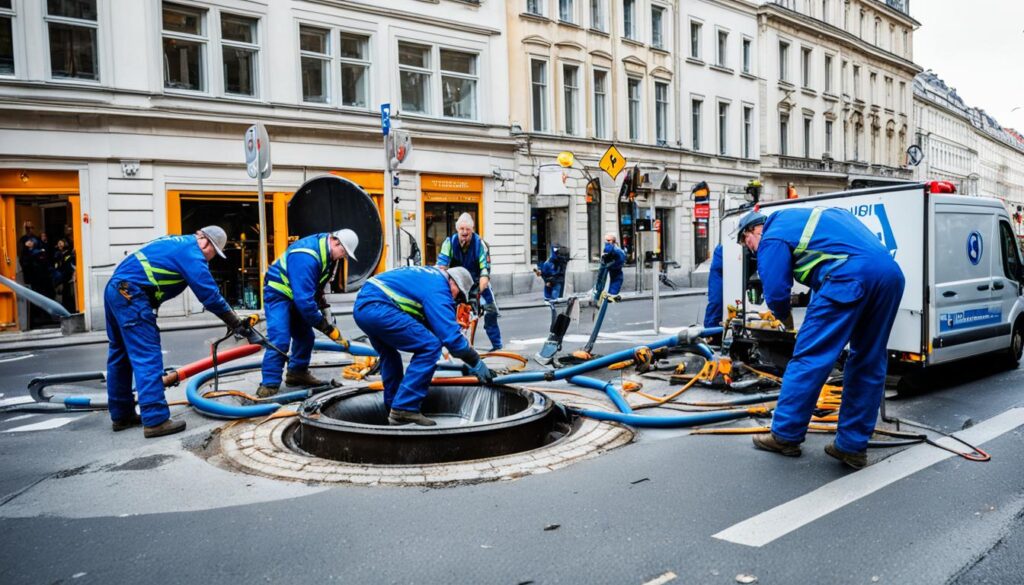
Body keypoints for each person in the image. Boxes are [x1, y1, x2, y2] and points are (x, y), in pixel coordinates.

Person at [736, 208, 905, 469]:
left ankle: (785, 435)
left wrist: (785, 318)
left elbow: (777, 291)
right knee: (868, 360)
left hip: (848, 277)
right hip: (890, 277)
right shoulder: (811, 220)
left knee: (810, 358)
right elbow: (827, 272)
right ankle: (852, 447)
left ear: (753, 230)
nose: (752, 251)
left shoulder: (772, 235)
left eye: (748, 244)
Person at [105, 226, 255, 438]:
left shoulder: (174, 241)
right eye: (213, 254)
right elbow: (210, 295)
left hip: (116, 289)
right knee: (146, 355)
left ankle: (121, 415)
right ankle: (155, 420)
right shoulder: (192, 252)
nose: (210, 259)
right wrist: (235, 322)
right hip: (131, 295)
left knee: (120, 355)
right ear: (206, 243)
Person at [353, 266, 493, 426]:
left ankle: (393, 406)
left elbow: (436, 330)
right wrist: (475, 361)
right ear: (454, 283)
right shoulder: (440, 288)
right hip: (377, 306)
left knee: (390, 355)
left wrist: (464, 363)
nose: (455, 300)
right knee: (430, 346)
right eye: (458, 296)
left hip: (364, 307)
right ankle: (404, 409)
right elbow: (451, 339)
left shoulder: (430, 277)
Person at [256, 229, 359, 398]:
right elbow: (304, 301)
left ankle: (297, 373)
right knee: (280, 338)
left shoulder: (327, 255)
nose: (343, 257)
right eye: (343, 252)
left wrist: (325, 310)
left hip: (297, 295)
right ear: (335, 242)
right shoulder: (306, 256)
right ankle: (269, 384)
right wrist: (325, 327)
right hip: (278, 294)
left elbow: (316, 287)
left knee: (305, 337)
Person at [436, 213, 502, 351]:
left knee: (491, 310)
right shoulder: (449, 243)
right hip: (458, 283)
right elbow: (441, 266)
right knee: (454, 313)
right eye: (462, 229)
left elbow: (485, 269)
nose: (465, 232)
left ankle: (497, 346)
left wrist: (480, 288)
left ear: (472, 229)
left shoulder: (480, 244)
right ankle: (455, 346)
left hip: (477, 282)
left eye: (468, 229)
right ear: (457, 229)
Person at [703, 244, 724, 345]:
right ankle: (711, 334)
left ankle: (711, 333)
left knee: (717, 302)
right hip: (724, 254)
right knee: (717, 301)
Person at [52, 238, 76, 313]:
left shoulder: (69, 253)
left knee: (69, 294)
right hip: (61, 277)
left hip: (68, 277)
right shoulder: (57, 254)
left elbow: (71, 263)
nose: (59, 245)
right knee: (62, 294)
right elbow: (56, 264)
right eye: (58, 243)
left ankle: (70, 310)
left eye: (61, 243)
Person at [602, 233, 626, 299]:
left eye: (608, 240)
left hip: (614, 266)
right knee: (617, 279)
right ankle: (611, 293)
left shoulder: (615, 249)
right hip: (614, 266)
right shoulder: (615, 248)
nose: (606, 241)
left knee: (615, 279)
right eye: (606, 240)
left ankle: (611, 293)